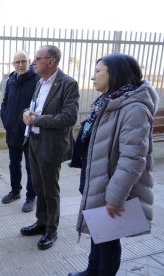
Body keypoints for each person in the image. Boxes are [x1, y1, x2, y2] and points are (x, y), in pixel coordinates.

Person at [68, 54, 159, 276]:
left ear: (115, 74)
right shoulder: (108, 101)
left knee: (108, 236)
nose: (92, 77)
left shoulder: (133, 108)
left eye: (98, 71)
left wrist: (115, 197)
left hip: (112, 185)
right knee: (99, 228)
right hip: (97, 177)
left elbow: (133, 159)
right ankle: (92, 270)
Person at [20, 45, 80, 250]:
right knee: (38, 185)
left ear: (51, 62)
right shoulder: (39, 82)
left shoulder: (68, 84)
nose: (33, 62)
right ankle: (41, 223)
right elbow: (36, 106)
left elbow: (69, 117)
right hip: (34, 141)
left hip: (51, 145)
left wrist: (37, 120)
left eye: (37, 58)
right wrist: (26, 112)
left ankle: (51, 230)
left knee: (50, 190)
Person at [0, 50, 40, 212]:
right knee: (13, 164)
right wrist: (6, 118)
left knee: (31, 167)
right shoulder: (11, 80)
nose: (20, 65)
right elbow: (5, 102)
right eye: (17, 62)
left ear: (29, 61)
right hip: (12, 131)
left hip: (29, 132)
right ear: (13, 64)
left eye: (23, 61)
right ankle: (15, 191)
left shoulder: (37, 80)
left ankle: (31, 196)